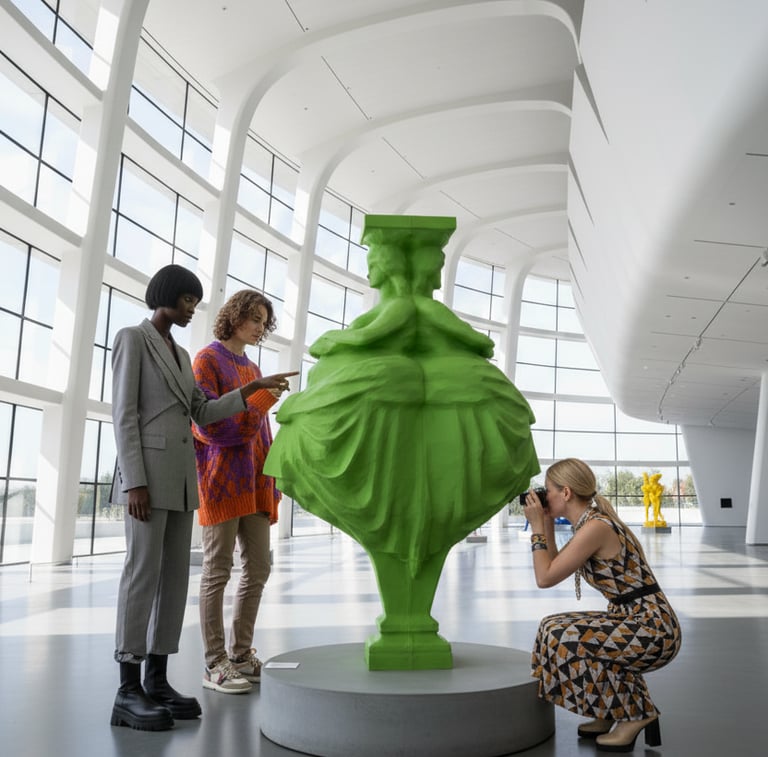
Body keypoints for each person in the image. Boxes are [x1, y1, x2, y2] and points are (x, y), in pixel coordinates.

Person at [109, 265, 297, 731]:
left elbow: (203, 410)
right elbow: (124, 415)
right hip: (148, 481)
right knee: (142, 576)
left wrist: (252, 390)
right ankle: (127, 689)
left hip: (182, 482)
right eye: (187, 299)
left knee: (174, 579)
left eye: (195, 301)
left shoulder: (179, 353)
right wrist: (134, 481)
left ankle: (157, 679)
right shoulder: (133, 339)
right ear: (166, 295)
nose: (192, 308)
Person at [522, 458, 681, 753]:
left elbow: (544, 577)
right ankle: (610, 709)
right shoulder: (589, 523)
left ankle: (638, 714)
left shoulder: (596, 527)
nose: (544, 496)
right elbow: (553, 565)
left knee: (561, 634)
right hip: (632, 620)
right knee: (550, 626)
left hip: (653, 629)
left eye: (548, 491)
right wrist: (545, 521)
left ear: (566, 493)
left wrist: (536, 528)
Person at [191, 290, 286, 694]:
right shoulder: (206, 360)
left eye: (265, 321)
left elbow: (259, 431)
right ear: (234, 316)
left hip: (255, 482)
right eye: (255, 318)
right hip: (222, 481)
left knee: (258, 568)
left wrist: (270, 478)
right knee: (217, 571)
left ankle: (242, 655)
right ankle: (215, 663)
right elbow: (209, 427)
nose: (260, 327)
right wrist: (261, 399)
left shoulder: (252, 367)